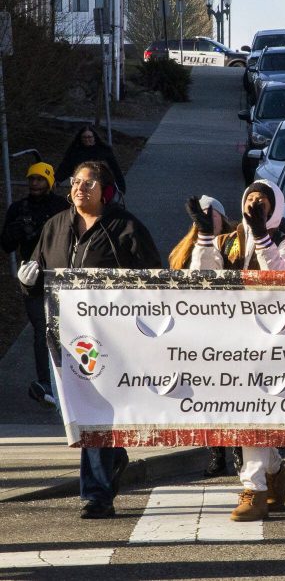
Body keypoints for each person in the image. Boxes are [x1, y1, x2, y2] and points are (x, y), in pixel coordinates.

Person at [18, 160, 160, 519]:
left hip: (113, 339)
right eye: (76, 182)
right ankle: (113, 457)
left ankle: (96, 494)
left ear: (105, 190)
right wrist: (26, 280)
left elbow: (155, 282)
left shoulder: (125, 228)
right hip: (65, 339)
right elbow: (38, 278)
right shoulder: (55, 226)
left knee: (96, 412)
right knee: (79, 414)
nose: (80, 188)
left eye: (89, 182)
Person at [190, 180, 285, 521]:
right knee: (244, 413)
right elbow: (202, 277)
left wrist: (263, 237)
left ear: (275, 208)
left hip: (271, 342)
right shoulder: (229, 242)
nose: (254, 203)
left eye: (262, 201)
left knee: (252, 413)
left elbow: (282, 279)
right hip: (233, 340)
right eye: (250, 198)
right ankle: (276, 472)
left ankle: (254, 488)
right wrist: (205, 237)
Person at [168, 195, 239, 477]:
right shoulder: (184, 250)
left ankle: (239, 449)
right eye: (203, 214)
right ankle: (216, 453)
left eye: (213, 213)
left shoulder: (235, 243)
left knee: (234, 393)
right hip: (200, 331)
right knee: (208, 395)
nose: (208, 218)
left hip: (233, 330)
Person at [2, 162, 67, 407]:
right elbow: (6, 244)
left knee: (65, 330)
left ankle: (68, 379)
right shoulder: (19, 208)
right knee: (43, 330)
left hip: (61, 275)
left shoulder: (62, 207)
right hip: (33, 279)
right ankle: (46, 383)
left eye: (40, 179)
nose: (35, 184)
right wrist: (17, 230)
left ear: (49, 181)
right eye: (31, 179)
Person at [56, 126, 127, 195]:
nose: (87, 139)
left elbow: (115, 169)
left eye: (89, 137)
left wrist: (121, 187)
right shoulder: (75, 152)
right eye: (84, 137)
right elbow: (65, 168)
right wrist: (56, 180)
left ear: (94, 137)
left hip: (103, 185)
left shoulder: (104, 151)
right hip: (82, 185)